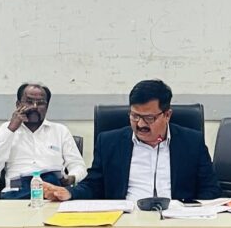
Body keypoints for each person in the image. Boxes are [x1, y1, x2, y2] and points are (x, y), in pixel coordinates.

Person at [43, 79, 221, 202]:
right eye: (135, 116)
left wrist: (190, 212)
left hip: (177, 224)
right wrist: (69, 193)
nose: (140, 124)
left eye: (149, 118)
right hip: (125, 222)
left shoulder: (191, 142)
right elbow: (94, 185)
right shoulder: (109, 143)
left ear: (167, 115)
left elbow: (211, 189)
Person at [0, 82, 86, 199]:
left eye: (41, 103)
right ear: (18, 105)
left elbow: (79, 166)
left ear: (47, 107)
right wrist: (11, 130)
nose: (35, 107)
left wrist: (71, 178)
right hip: (16, 193)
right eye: (29, 102)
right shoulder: (6, 129)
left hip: (52, 192)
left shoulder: (60, 131)